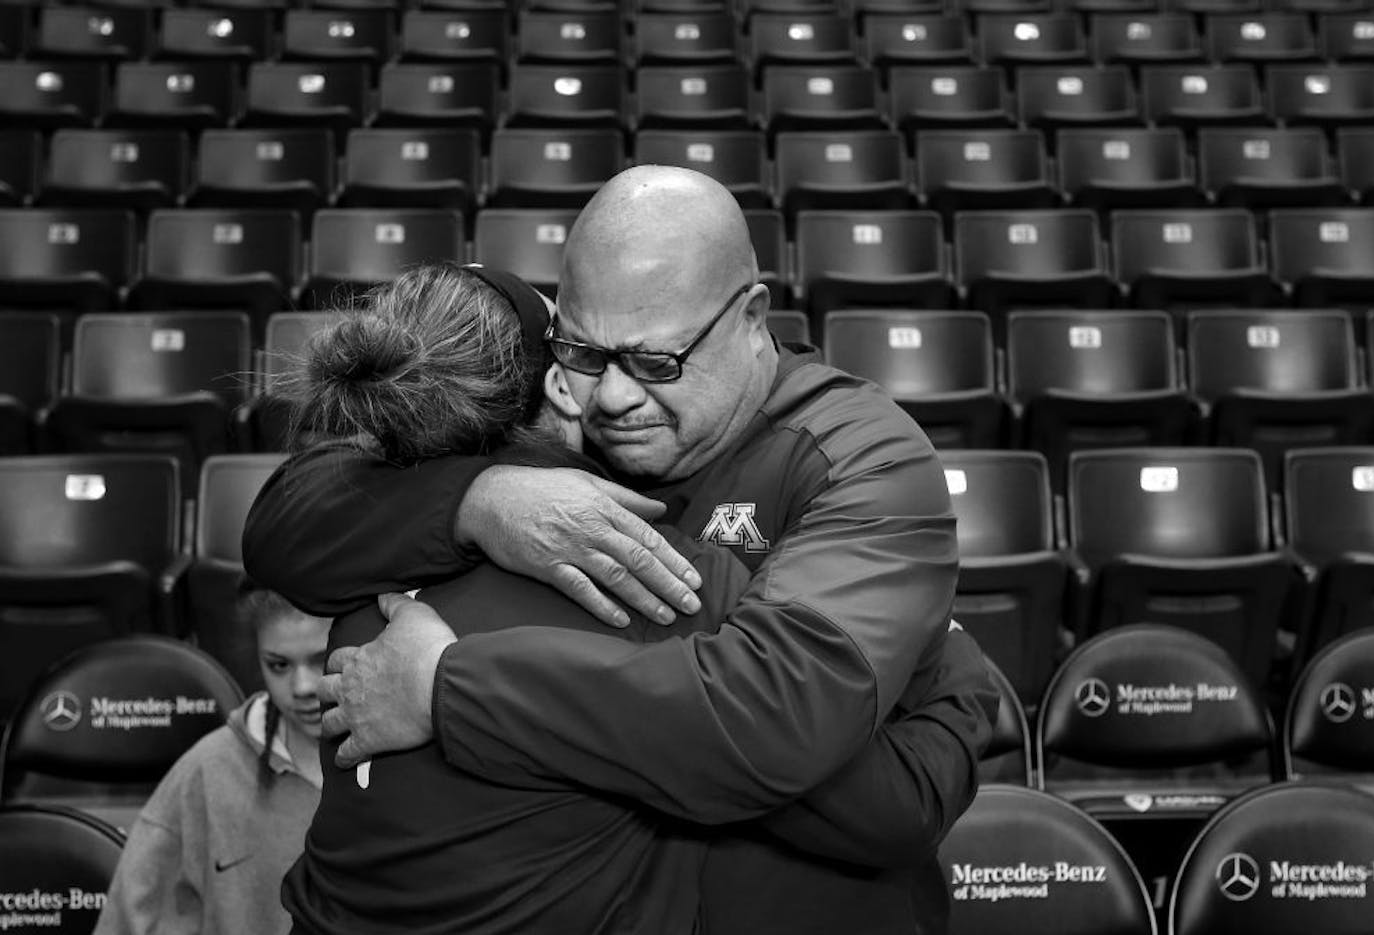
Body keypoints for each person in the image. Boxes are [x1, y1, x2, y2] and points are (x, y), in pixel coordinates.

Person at [245, 166, 996, 934]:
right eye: (582, 353)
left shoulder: (863, 453)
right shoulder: (551, 432)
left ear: (750, 314)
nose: (611, 397)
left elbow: (774, 718)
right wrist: (481, 501)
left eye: (653, 363)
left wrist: (449, 688)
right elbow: (283, 524)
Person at [92, 582, 329, 935]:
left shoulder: (416, 763)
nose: (302, 687)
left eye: (321, 659)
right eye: (278, 665)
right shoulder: (207, 771)